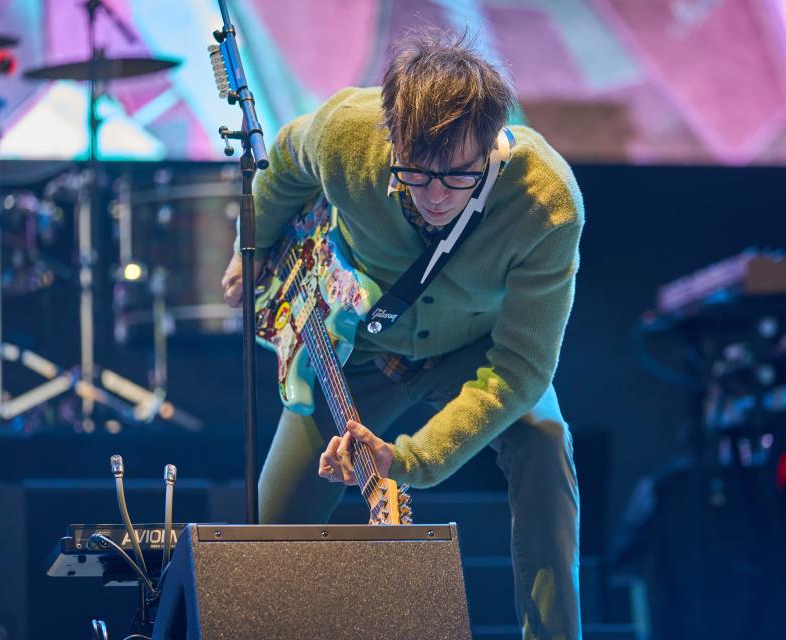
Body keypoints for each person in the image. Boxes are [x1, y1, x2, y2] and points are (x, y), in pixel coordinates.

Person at [221, 28, 584, 640]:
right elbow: (283, 161)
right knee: (267, 541)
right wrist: (246, 250)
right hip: (357, 350)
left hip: (476, 353)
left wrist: (408, 460)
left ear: (494, 143)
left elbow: (521, 370)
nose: (436, 195)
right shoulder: (345, 131)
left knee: (545, 442)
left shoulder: (548, 203)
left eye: (460, 176)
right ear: (390, 132)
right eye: (416, 173)